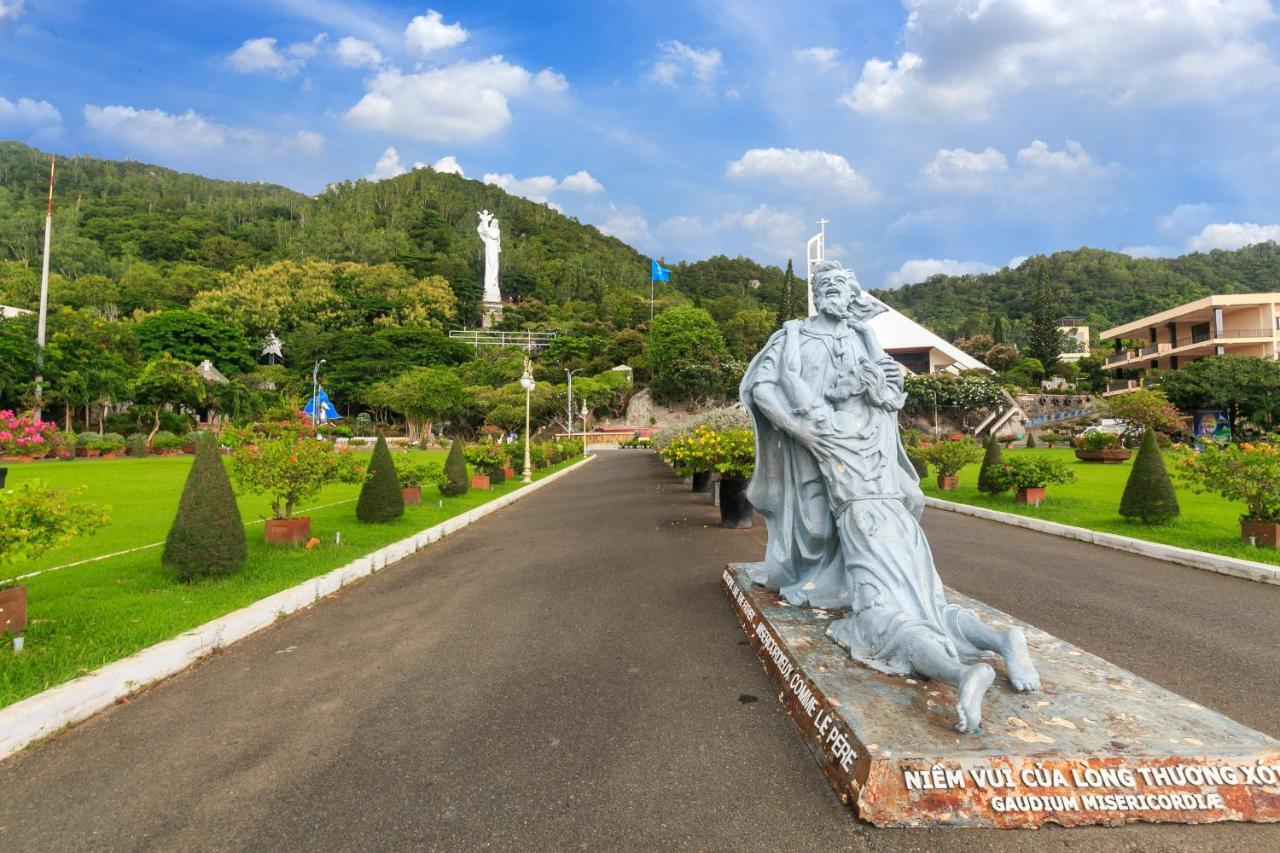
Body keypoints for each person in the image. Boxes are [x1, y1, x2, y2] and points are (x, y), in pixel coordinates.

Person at [739, 259, 1039, 734]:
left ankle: (964, 666)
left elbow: (885, 386)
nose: (838, 290)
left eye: (845, 283)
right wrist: (801, 428)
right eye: (829, 284)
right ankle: (999, 640)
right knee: (914, 594)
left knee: (887, 616)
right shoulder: (796, 338)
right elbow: (764, 387)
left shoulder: (862, 348)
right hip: (837, 469)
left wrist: (874, 385)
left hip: (864, 486)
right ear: (818, 292)